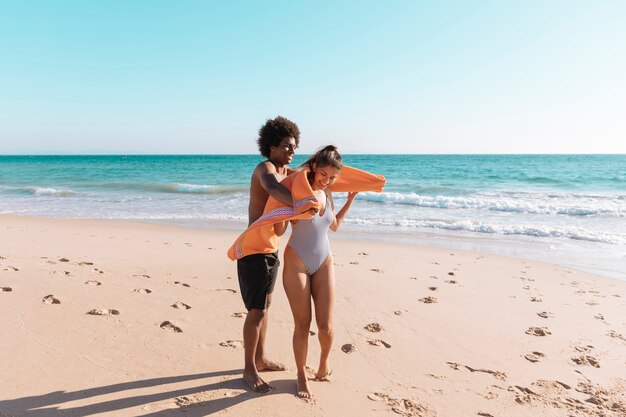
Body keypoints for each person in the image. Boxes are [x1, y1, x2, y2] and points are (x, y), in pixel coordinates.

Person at [278, 145, 358, 399]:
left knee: (325, 325)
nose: (327, 181)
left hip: (324, 261)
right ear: (314, 168)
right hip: (296, 261)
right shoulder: (297, 188)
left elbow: (333, 226)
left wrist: (349, 201)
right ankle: (301, 376)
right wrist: (297, 211)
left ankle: (324, 362)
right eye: (324, 175)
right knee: (303, 325)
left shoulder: (329, 193)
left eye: (333, 178)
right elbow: (279, 224)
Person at [237, 116, 300, 393]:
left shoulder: (288, 172)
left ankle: (260, 358)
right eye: (287, 146)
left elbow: (316, 176)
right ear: (272, 146)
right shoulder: (265, 169)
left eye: (294, 146)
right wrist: (305, 203)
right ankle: (248, 369)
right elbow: (274, 188)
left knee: (266, 307)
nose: (292, 151)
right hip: (254, 250)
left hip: (271, 249)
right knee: (257, 311)